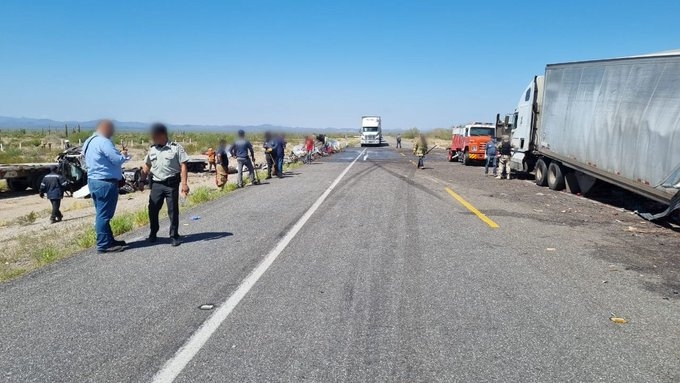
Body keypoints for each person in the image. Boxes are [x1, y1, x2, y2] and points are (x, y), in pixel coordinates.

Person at [82, 119, 128, 253]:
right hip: (105, 182)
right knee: (104, 215)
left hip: (93, 180)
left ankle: (109, 240)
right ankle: (103, 244)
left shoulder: (89, 141)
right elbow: (117, 160)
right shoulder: (104, 142)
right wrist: (123, 154)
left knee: (101, 212)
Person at [142, 123, 190, 246]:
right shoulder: (152, 149)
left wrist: (184, 184)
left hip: (171, 184)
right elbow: (147, 165)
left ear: (162, 135)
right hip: (156, 184)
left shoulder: (176, 148)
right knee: (152, 209)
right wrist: (141, 180)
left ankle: (174, 235)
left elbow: (183, 165)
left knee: (173, 211)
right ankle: (153, 233)